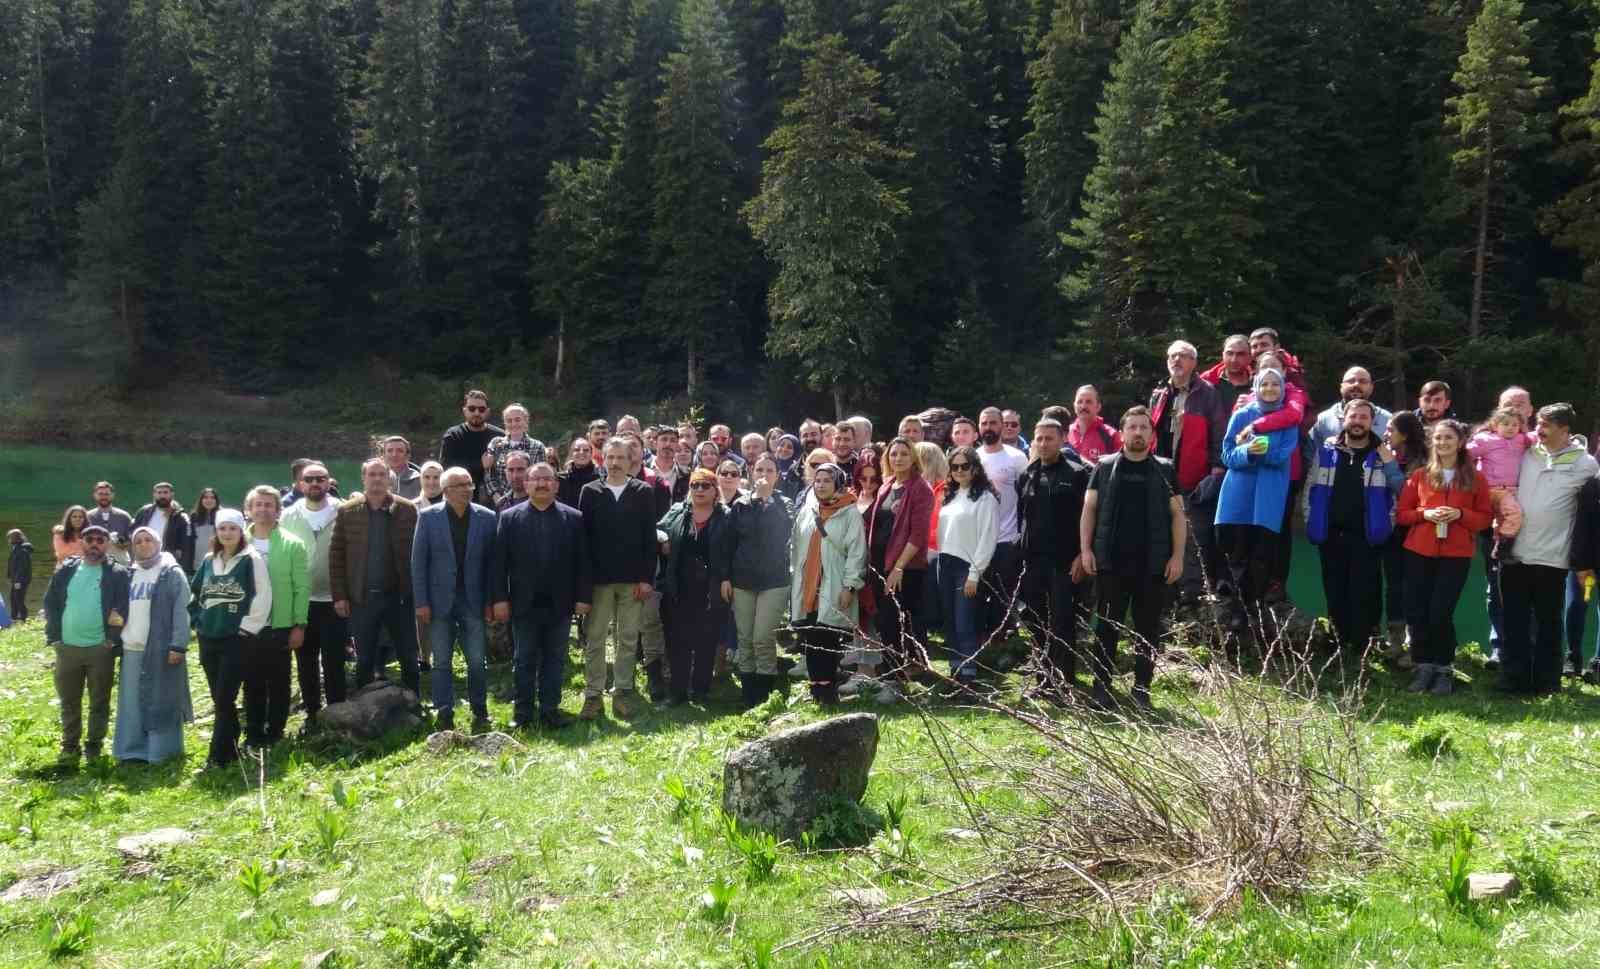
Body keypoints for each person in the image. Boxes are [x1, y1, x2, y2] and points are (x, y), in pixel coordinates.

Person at [1077, 406, 1185, 710]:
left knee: (1148, 630)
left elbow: (1178, 515)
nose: (1138, 432)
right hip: (1110, 563)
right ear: (1122, 433)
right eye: (1132, 427)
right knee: (1106, 628)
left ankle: (1141, 690)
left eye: (1144, 428)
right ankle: (1101, 689)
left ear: (1152, 434)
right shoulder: (1104, 466)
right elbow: (1089, 510)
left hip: (1152, 564)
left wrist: (1177, 557)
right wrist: (1086, 550)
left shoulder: (1165, 469)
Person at [1498, 404, 1599, 694]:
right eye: (1538, 423)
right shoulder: (1525, 452)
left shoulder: (1586, 464)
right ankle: (1513, 680)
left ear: (1565, 429)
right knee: (1514, 622)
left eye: (1546, 425)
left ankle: (1546, 683)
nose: (1538, 430)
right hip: (1514, 553)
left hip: (1553, 558)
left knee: (1548, 624)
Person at [1395, 419, 1492, 694]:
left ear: (1460, 442)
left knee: (1440, 611)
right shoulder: (1419, 476)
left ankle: (1443, 669)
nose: (1442, 443)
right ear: (1431, 442)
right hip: (1418, 551)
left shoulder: (1476, 478)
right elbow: (1402, 515)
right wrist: (1425, 514)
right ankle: (1423, 666)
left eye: (1448, 438)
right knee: (1417, 611)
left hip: (1456, 555)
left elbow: (1485, 520)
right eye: (1438, 438)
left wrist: (1461, 515)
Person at [492, 462, 591, 729]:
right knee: (523, 659)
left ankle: (550, 709)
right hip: (523, 603)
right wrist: (499, 599)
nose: (542, 484)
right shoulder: (509, 517)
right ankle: (522, 713)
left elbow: (583, 562)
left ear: (556, 485)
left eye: (547, 479)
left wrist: (583, 597)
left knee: (555, 659)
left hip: (561, 603)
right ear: (526, 485)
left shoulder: (574, 518)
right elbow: (499, 564)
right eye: (535, 479)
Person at [1306, 400, 1402, 652]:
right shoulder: (1327, 450)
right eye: (1354, 416)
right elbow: (1310, 488)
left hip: (1368, 536)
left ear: (1372, 422)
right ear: (1344, 419)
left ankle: (1364, 645)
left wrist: (1387, 525)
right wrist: (1310, 520)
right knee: (1335, 589)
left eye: (1364, 417)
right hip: (1331, 534)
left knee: (1366, 592)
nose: (1358, 421)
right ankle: (1339, 642)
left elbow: (1399, 493)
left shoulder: (1382, 454)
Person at [577, 439, 658, 719]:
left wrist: (646, 578)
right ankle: (593, 695)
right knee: (595, 638)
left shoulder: (643, 492)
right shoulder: (590, 492)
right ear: (603, 459)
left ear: (630, 459)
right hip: (599, 581)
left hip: (632, 581)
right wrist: (583, 585)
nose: (615, 463)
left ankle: (623, 692)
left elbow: (650, 538)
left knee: (627, 638)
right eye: (610, 457)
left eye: (620, 457)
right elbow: (583, 541)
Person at [412, 467, 497, 732]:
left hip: (473, 599)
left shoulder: (487, 517)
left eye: (469, 484)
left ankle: (480, 709)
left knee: (476, 660)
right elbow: (418, 562)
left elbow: (492, 565)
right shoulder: (427, 518)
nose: (467, 489)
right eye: (460, 485)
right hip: (439, 601)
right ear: (446, 491)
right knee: (442, 661)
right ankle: (444, 710)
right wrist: (421, 602)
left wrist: (491, 601)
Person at [1214, 368, 1298, 636]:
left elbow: (1283, 455)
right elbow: (1226, 455)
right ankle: (1238, 610)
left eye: (1275, 384)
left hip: (1270, 495)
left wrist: (1260, 451)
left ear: (1283, 388)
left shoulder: (1289, 421)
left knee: (1261, 557)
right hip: (1239, 494)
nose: (1270, 389)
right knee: (1236, 552)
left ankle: (1252, 607)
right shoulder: (1242, 415)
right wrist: (1246, 453)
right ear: (1256, 387)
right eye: (1265, 384)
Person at [331, 458, 421, 694]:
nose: (377, 478)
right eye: (372, 474)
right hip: (362, 598)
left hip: (399, 596)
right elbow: (336, 555)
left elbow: (419, 554)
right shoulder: (347, 511)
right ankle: (364, 704)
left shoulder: (407, 509)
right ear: (364, 478)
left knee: (408, 655)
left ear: (389, 479)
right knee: (365, 658)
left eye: (382, 474)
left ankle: (413, 701)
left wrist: (418, 594)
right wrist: (340, 596)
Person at [42, 523, 129, 765]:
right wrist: (55, 638)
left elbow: (122, 608)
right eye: (89, 539)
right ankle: (70, 745)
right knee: (69, 701)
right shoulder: (66, 570)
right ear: (81, 542)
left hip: (100, 649)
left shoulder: (118, 573)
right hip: (67, 648)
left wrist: (111, 641)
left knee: (99, 701)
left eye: (100, 540)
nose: (94, 544)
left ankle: (94, 746)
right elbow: (50, 604)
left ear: (107, 544)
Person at [190, 508, 271, 767]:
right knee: (219, 697)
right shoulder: (208, 560)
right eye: (222, 528)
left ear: (240, 531)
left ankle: (218, 755)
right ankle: (232, 741)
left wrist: (247, 628)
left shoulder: (251, 559)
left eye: (232, 528)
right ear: (216, 531)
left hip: (236, 639)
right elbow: (196, 594)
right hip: (208, 637)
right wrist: (197, 623)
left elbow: (263, 596)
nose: (227, 533)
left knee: (225, 697)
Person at [1016, 418, 1093, 690]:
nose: (1044, 443)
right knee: (1036, 621)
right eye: (1039, 438)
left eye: (1050, 438)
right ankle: (1043, 679)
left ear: (1062, 441)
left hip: (1065, 562)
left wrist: (1082, 556)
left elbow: (1089, 517)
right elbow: (1021, 518)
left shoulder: (1078, 474)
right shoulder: (1027, 475)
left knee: (1062, 621)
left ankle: (1065, 682)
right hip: (1033, 562)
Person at [1149, 341, 1227, 603]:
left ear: (1194, 362)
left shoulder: (1208, 393)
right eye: (1172, 356)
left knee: (1194, 536)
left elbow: (1218, 433)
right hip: (1161, 476)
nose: (1177, 360)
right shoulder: (1160, 393)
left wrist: (1216, 470)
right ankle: (1165, 592)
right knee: (1161, 532)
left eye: (1183, 356)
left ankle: (1191, 595)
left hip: (1194, 477)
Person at [112, 527, 192, 763]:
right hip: (132, 648)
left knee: (163, 700)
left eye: (148, 540)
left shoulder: (171, 572)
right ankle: (131, 751)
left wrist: (178, 645)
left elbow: (182, 610)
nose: (143, 544)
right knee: (131, 703)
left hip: (161, 649)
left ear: (158, 544)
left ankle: (162, 753)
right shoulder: (129, 573)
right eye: (138, 542)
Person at [865, 438, 936, 702]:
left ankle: (896, 682)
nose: (898, 458)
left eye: (904, 454)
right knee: (885, 622)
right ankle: (889, 676)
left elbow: (918, 535)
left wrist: (898, 567)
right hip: (881, 564)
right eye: (893, 454)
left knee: (897, 622)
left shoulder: (920, 489)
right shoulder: (886, 486)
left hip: (906, 569)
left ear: (913, 458)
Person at [788, 464, 865, 704]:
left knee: (827, 640)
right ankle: (816, 691)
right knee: (810, 638)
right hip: (807, 585)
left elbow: (857, 552)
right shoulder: (807, 511)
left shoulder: (850, 512)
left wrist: (850, 585)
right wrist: (795, 577)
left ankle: (828, 692)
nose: (820, 485)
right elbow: (795, 545)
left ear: (838, 484)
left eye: (827, 481)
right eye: (817, 480)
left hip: (833, 585)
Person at [657, 469, 734, 704]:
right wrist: (663, 539)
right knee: (677, 641)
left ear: (715, 490)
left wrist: (726, 579)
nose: (699, 490)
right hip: (678, 586)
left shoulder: (726, 515)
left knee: (706, 641)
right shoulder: (678, 511)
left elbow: (733, 550)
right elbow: (658, 528)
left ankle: (700, 690)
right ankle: (677, 692)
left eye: (705, 486)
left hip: (711, 588)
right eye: (695, 486)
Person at [279, 463, 347, 728]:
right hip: (301, 602)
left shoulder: (344, 511)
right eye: (309, 479)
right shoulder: (288, 515)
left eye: (320, 478)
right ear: (300, 484)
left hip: (335, 600)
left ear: (329, 482)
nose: (315, 483)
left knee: (334, 660)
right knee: (305, 661)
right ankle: (312, 714)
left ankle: (338, 712)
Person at [243, 485, 310, 745]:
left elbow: (301, 588)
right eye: (258, 504)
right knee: (251, 680)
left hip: (280, 623)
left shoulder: (293, 544)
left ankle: (275, 731)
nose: (263, 509)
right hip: (247, 625)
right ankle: (254, 730)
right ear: (249, 510)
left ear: (278, 509)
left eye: (269, 504)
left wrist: (299, 625)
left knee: (279, 680)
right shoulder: (237, 541)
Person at [726, 455, 794, 708]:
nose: (764, 474)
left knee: (763, 637)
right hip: (742, 579)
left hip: (774, 580)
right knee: (745, 638)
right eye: (759, 469)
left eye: (769, 470)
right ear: (752, 473)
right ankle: (749, 695)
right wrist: (725, 578)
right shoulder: (740, 504)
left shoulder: (784, 503)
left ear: (777, 475)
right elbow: (730, 543)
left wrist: (766, 500)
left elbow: (784, 532)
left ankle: (765, 695)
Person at [933, 446, 999, 686]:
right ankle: (955, 671)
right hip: (945, 562)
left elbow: (987, 538)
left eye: (965, 466)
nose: (960, 471)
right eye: (955, 467)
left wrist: (975, 573)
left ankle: (969, 675)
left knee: (965, 621)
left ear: (975, 468)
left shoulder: (985, 497)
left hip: (967, 566)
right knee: (950, 620)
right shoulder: (950, 495)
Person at [977, 407, 1029, 642]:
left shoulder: (1016, 458)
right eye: (984, 423)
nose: (988, 427)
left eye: (993, 423)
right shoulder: (972, 457)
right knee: (977, 591)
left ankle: (1001, 641)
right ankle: (981, 638)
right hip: (977, 538)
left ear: (1001, 425)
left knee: (1003, 592)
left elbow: (1027, 496)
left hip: (1007, 537)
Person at [1380, 412, 1429, 663]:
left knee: (1414, 586)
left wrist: (1389, 465)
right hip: (1389, 530)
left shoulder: (1422, 460)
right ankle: (1394, 641)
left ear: (1406, 434)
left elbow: (1409, 494)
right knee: (1394, 585)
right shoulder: (1386, 452)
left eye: (1391, 429)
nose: (1386, 434)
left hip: (1414, 529)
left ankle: (1415, 643)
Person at [1467, 407, 1534, 559]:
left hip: (1511, 489)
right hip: (1494, 489)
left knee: (1503, 519)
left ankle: (1498, 545)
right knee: (1515, 514)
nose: (1510, 428)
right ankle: (1504, 546)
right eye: (1506, 424)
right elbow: (1467, 453)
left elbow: (1537, 437)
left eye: (1515, 425)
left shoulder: (1521, 440)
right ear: (1495, 425)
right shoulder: (1486, 440)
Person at [439, 390, 505, 501]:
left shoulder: (500, 436)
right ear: (464, 410)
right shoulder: (453, 435)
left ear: (488, 412)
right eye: (472, 408)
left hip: (496, 496)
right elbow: (447, 467)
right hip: (461, 495)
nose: (477, 413)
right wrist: (481, 464)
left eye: (481, 409)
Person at [1310, 367, 1393, 453]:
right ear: (1341, 387)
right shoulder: (1322, 420)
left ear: (1371, 387)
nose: (1356, 384)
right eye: (1351, 381)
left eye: (1363, 381)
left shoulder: (1387, 420)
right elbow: (1312, 458)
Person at [484, 404, 547, 506]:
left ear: (526, 422)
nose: (513, 424)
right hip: (501, 502)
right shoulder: (496, 444)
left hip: (529, 502)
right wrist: (496, 496)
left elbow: (540, 476)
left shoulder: (537, 446)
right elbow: (488, 474)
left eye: (517, 420)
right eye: (509, 420)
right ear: (505, 423)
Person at [133, 482, 196, 574]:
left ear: (172, 494)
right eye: (159, 493)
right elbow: (133, 533)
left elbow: (187, 547)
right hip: (144, 561)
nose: (162, 496)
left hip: (167, 564)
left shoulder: (180, 517)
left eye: (165, 492)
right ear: (154, 495)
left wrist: (184, 568)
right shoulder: (144, 512)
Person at [1199, 334, 1256, 413]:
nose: (1234, 360)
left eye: (1240, 354)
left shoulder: (1259, 383)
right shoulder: (1205, 381)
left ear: (1250, 357)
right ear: (1223, 355)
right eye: (1230, 353)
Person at [1066, 386, 1122, 464]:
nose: (1083, 406)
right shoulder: (1065, 433)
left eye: (1088, 402)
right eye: (1079, 402)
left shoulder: (1111, 435)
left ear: (1098, 407)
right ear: (1074, 406)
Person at [87, 481, 135, 566]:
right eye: (100, 494)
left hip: (120, 564)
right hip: (94, 564)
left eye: (107, 494)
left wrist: (122, 544)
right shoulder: (88, 517)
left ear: (112, 495)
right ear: (95, 495)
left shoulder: (124, 516)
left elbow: (132, 542)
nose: (104, 497)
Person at [559, 437, 600, 507]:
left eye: (586, 450)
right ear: (571, 454)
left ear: (591, 454)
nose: (581, 452)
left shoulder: (600, 479)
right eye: (577, 450)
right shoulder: (560, 479)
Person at [382, 436, 423, 501]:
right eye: (390, 451)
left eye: (400, 451)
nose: (394, 454)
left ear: (408, 455)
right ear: (384, 455)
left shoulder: (420, 480)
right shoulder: (375, 479)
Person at [190, 488, 220, 564]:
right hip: (197, 560)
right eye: (205, 497)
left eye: (212, 498)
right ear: (201, 500)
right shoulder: (194, 516)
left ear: (216, 500)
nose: (209, 500)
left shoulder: (222, 516)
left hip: (217, 559)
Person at [8, 529, 33, 622]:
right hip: (16, 579)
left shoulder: (22, 550)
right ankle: (13, 617)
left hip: (21, 580)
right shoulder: (16, 548)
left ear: (16, 538)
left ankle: (24, 618)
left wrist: (17, 581)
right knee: (13, 598)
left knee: (18, 599)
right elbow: (13, 564)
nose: (9, 540)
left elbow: (22, 568)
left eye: (10, 538)